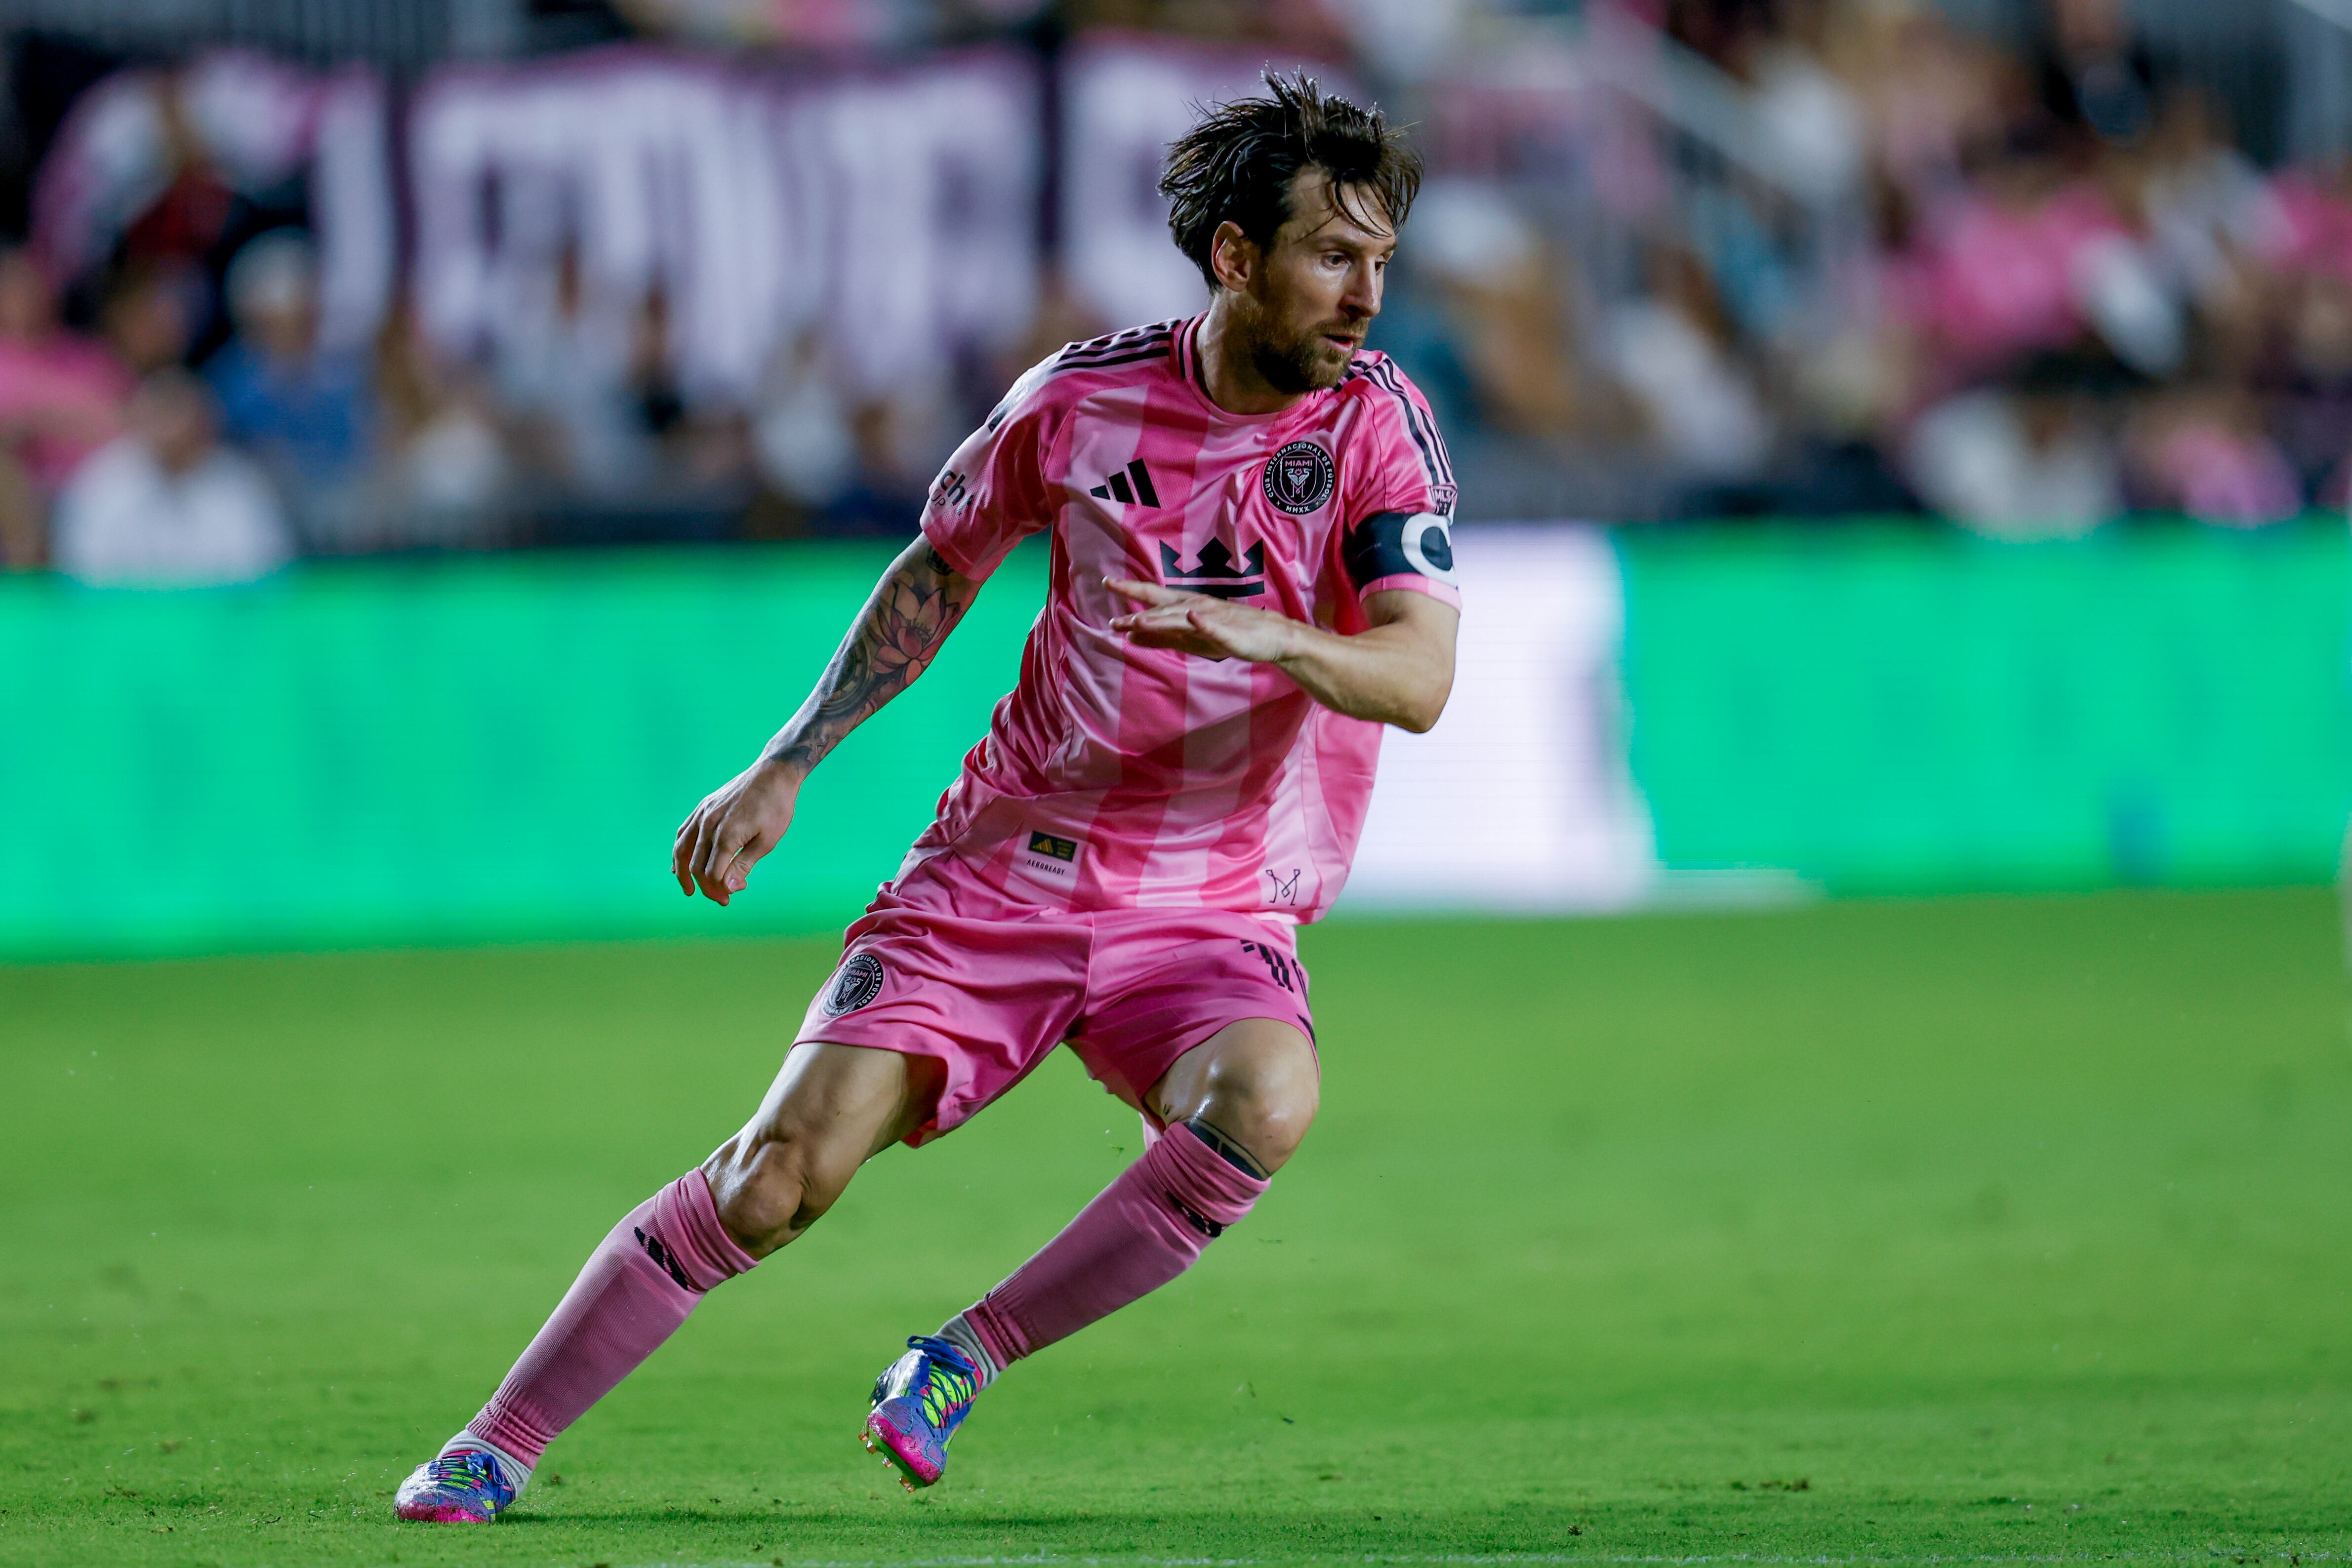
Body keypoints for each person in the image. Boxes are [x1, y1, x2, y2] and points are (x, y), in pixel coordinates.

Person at [393, 72, 1460, 1524]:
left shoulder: (1381, 430)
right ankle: (492, 1440)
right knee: (777, 1177)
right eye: (1334, 255)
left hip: (1208, 893)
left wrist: (1271, 632)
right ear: (1233, 257)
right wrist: (787, 761)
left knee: (1266, 1097)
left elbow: (1418, 675)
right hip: (1002, 873)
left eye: (1380, 258)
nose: (1366, 294)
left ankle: (963, 1352)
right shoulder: (1076, 406)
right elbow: (940, 567)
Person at [50, 368, 293, 586]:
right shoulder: (101, 482)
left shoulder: (242, 485)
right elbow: (82, 571)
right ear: (139, 421)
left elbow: (266, 574)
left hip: (218, 625)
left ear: (204, 425)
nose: (170, 430)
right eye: (160, 416)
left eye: (178, 416)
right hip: (124, 624)